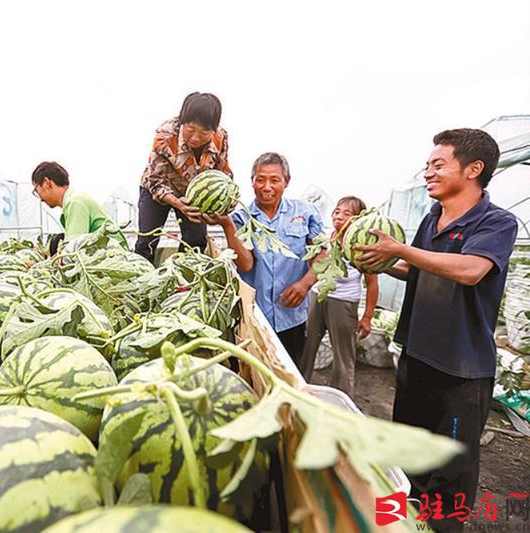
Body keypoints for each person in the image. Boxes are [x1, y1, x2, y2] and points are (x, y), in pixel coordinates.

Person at [355, 128, 517, 532]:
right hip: (416, 357)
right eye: (427, 165)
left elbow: (471, 270)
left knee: (449, 479)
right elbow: (416, 269)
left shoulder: (497, 222)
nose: (428, 172)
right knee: (407, 462)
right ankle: (396, 527)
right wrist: (377, 261)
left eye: (438, 164)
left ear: (473, 169)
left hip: (460, 373)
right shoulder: (433, 217)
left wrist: (400, 249)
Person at [206, 152, 323, 364]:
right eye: (260, 179)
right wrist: (227, 225)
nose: (266, 187)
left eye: (274, 180)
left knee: (289, 374)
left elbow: (322, 254)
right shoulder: (240, 217)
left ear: (286, 182)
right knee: (253, 375)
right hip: (253, 318)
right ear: (252, 182)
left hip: (292, 318)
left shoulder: (306, 213)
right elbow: (246, 264)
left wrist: (305, 284)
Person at [135, 92, 232, 262]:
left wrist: (220, 207)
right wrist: (176, 202)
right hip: (158, 189)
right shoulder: (165, 135)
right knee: (147, 240)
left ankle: (185, 281)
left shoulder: (220, 138)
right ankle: (140, 282)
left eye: (204, 132)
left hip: (193, 195)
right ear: (182, 122)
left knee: (195, 243)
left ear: (214, 129)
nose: (195, 137)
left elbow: (222, 174)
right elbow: (155, 180)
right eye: (190, 129)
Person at [301, 196, 379, 396]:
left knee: (343, 356)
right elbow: (313, 269)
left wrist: (368, 317)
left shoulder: (362, 244)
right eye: (337, 211)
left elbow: (372, 284)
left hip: (343, 304)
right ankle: (299, 390)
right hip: (318, 297)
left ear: (358, 220)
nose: (339, 216)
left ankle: (342, 400)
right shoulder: (326, 240)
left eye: (347, 213)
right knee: (307, 348)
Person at [31, 161, 128, 250]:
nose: (40, 198)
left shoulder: (75, 202)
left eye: (36, 189)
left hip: (115, 258)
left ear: (47, 183)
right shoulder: (74, 199)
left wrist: (39, 265)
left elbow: (71, 253)